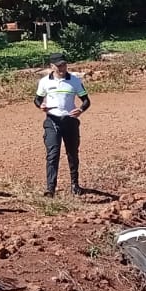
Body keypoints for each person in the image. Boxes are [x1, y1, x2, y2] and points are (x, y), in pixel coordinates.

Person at [34, 52, 89, 196]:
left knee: (72, 154)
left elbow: (86, 100)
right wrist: (41, 106)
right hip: (52, 121)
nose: (62, 68)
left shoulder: (75, 81)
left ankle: (75, 185)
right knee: (53, 154)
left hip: (70, 121)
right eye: (59, 65)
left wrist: (80, 110)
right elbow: (37, 100)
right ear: (51, 66)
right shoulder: (45, 82)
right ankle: (50, 189)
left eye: (64, 64)